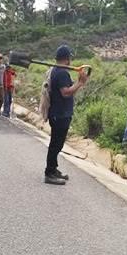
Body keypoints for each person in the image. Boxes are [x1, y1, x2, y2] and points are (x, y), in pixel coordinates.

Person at [45, 45, 88, 185]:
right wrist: (80, 83)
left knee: (57, 143)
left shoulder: (56, 70)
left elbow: (68, 91)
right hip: (60, 114)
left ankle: (53, 168)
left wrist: (77, 84)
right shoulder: (62, 73)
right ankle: (49, 173)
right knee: (56, 144)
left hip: (59, 113)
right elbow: (66, 92)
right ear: (67, 58)